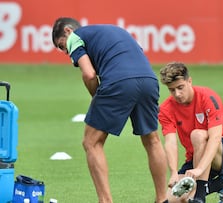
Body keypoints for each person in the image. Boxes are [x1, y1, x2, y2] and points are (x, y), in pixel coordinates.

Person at [51, 17, 168, 203]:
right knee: (152, 140)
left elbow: (89, 74)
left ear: (67, 31)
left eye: (61, 46)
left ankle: (105, 201)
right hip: (149, 80)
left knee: (91, 142)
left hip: (119, 81)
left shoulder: (74, 37)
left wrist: (97, 97)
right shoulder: (115, 31)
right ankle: (163, 199)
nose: (65, 52)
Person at [158, 62, 223, 203]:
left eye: (180, 87)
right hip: (194, 158)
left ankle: (200, 195)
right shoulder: (166, 108)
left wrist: (199, 169)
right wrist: (173, 173)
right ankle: (220, 184)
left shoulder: (208, 97)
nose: (177, 94)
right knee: (172, 199)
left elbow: (215, 138)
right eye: (172, 90)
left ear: (189, 81)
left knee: (198, 135)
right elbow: (170, 142)